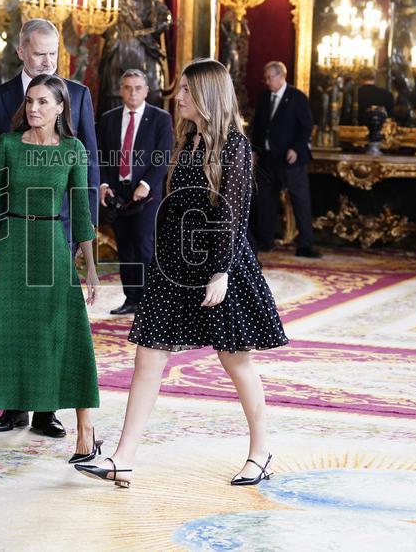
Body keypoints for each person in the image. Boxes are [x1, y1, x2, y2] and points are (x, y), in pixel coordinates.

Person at [75, 58, 288, 489]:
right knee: (148, 355)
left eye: (188, 90)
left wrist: (221, 271)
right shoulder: (187, 139)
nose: (180, 97)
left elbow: (233, 214)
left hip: (216, 262)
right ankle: (123, 457)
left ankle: (261, 451)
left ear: (208, 95)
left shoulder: (235, 146)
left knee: (235, 359)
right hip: (174, 263)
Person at [0, 74, 101, 464]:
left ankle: (85, 429)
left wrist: (92, 270)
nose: (33, 108)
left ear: (61, 107)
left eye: (43, 102)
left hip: (51, 250)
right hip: (9, 249)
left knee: (66, 335)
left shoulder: (73, 150)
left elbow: (81, 215)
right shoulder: (8, 144)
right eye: (30, 101)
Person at [0, 18, 99, 437]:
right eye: (39, 53)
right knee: (7, 322)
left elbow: (88, 170)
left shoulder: (77, 95)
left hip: (56, 233)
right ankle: (11, 408)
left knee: (50, 324)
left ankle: (47, 411)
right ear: (22, 51)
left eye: (53, 53)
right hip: (9, 229)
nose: (47, 60)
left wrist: (82, 241)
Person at [98, 69, 173, 315]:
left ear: (146, 91)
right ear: (121, 90)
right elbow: (100, 157)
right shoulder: (108, 119)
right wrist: (104, 185)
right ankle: (131, 299)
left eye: (138, 88)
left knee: (143, 245)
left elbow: (163, 157)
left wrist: (147, 185)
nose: (132, 92)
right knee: (126, 246)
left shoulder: (160, 118)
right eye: (128, 87)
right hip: (117, 193)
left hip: (146, 194)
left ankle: (149, 301)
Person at [249, 61, 319, 257]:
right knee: (265, 201)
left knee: (300, 201)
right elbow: (258, 126)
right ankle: (266, 241)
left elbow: (306, 127)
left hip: (290, 159)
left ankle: (305, 245)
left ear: (282, 76)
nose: (267, 82)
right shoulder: (264, 97)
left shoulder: (297, 97)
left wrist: (296, 149)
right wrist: (255, 151)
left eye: (270, 77)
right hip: (267, 158)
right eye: (266, 78)